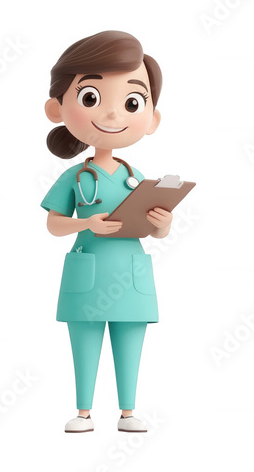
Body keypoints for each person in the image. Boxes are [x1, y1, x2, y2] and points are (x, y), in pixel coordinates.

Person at [41, 31, 172, 433]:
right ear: (57, 108)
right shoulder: (74, 176)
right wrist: (87, 223)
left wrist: (162, 224)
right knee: (85, 344)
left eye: (132, 102)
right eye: (92, 98)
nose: (114, 115)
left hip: (130, 276)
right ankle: (83, 412)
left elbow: (156, 231)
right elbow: (53, 224)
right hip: (89, 274)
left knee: (130, 345)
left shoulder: (139, 179)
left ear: (151, 119)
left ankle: (128, 412)